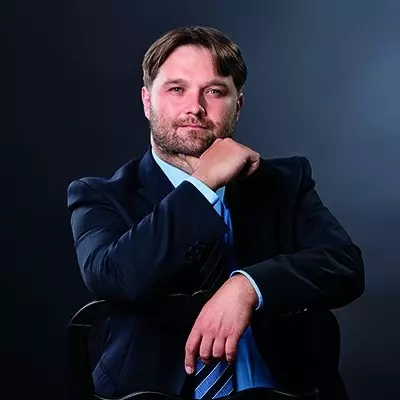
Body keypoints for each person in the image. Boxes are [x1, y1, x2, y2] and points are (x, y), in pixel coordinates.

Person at [67, 26, 364, 400]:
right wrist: (203, 182)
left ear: (238, 104)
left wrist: (247, 287)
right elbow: (116, 277)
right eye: (177, 89)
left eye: (214, 91)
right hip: (148, 393)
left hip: (282, 390)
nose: (195, 107)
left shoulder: (284, 181)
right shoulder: (100, 195)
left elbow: (344, 264)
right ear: (146, 101)